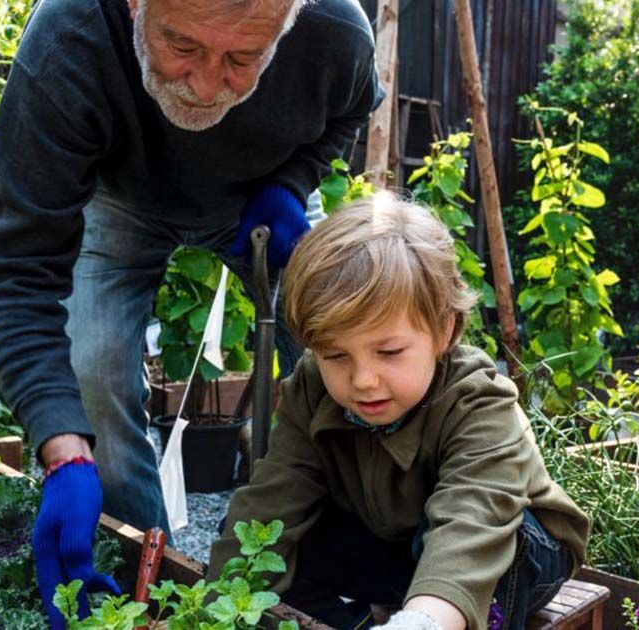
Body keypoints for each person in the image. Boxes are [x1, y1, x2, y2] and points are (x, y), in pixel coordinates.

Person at [0, 0, 381, 624]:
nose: (205, 83)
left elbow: (349, 111)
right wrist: (63, 444)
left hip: (260, 199)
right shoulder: (68, 41)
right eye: (183, 46)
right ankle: (149, 588)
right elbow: (19, 268)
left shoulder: (336, 30)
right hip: (119, 201)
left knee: (359, 336)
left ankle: (364, 551)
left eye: (243, 59)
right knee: (94, 375)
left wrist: (292, 183)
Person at [207, 193, 590, 630]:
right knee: (261, 540)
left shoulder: (478, 400)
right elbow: (273, 498)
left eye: (388, 352)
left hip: (507, 548)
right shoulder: (312, 390)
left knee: (501, 544)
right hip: (399, 547)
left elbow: (473, 519)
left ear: (443, 330)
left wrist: (422, 622)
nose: (363, 380)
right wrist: (216, 608)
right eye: (336, 356)